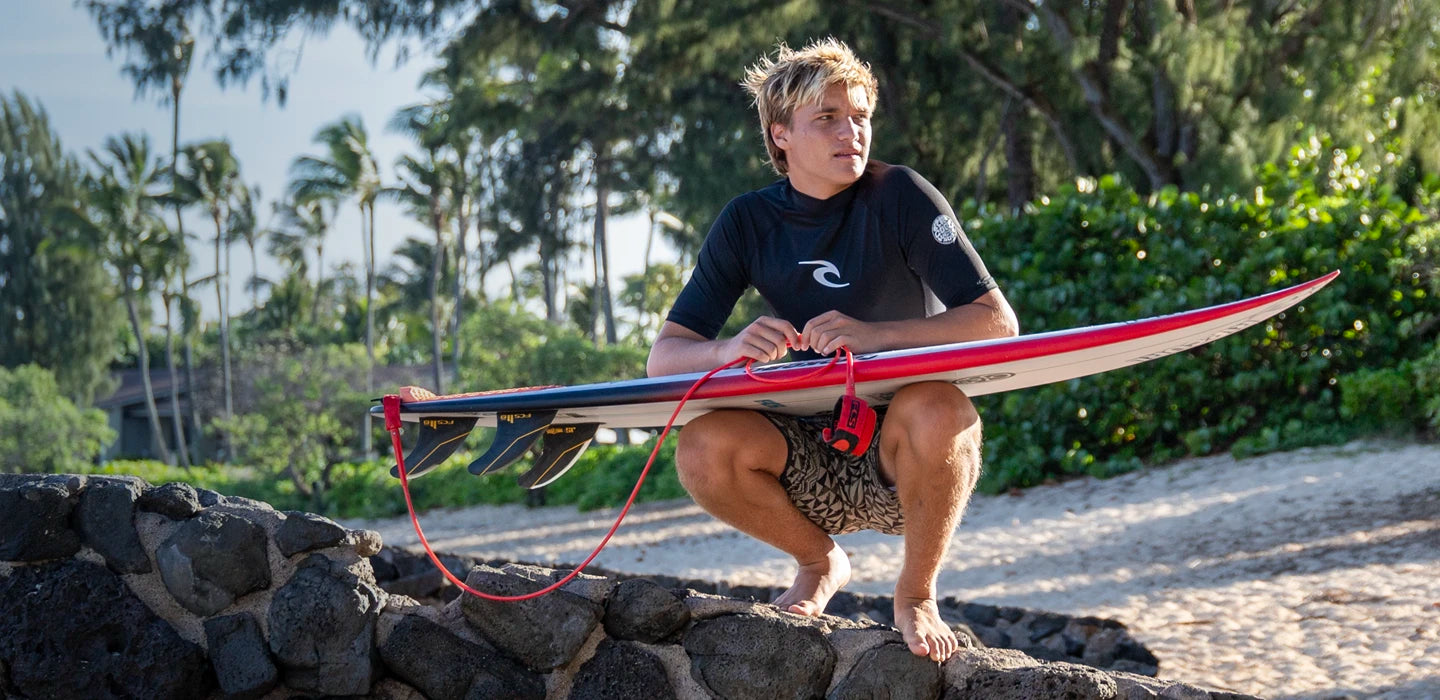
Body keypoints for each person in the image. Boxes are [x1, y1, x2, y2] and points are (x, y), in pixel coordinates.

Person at [646, 37, 1019, 663]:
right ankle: (819, 561)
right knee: (703, 446)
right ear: (781, 134)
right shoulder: (747, 221)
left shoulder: (900, 194)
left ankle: (916, 594)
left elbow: (995, 322)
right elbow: (665, 357)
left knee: (940, 405)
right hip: (806, 452)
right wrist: (730, 347)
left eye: (860, 117)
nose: (852, 133)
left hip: (906, 461)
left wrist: (875, 337)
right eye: (827, 119)